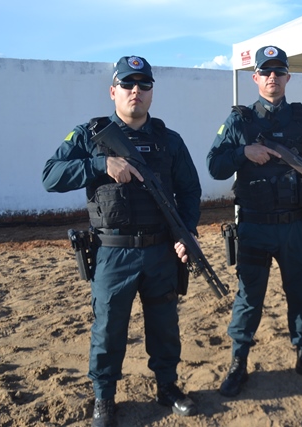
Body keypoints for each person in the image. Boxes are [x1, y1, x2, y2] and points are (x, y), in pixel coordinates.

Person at [42, 56, 200, 426]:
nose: (135, 91)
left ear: (152, 92)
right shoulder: (90, 135)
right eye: (127, 84)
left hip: (161, 251)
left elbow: (190, 191)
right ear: (113, 91)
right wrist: (101, 165)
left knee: (165, 325)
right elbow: (51, 176)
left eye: (144, 84)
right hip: (113, 253)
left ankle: (167, 387)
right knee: (109, 328)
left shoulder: (169, 141)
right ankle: (104, 398)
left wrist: (186, 232)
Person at [207, 45, 302, 397]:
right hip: (254, 226)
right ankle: (239, 362)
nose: (272, 77)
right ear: (256, 78)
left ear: (288, 77)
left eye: (279, 71)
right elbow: (215, 166)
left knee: (299, 293)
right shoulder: (239, 121)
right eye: (266, 71)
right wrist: (242, 152)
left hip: (295, 226)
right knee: (249, 297)